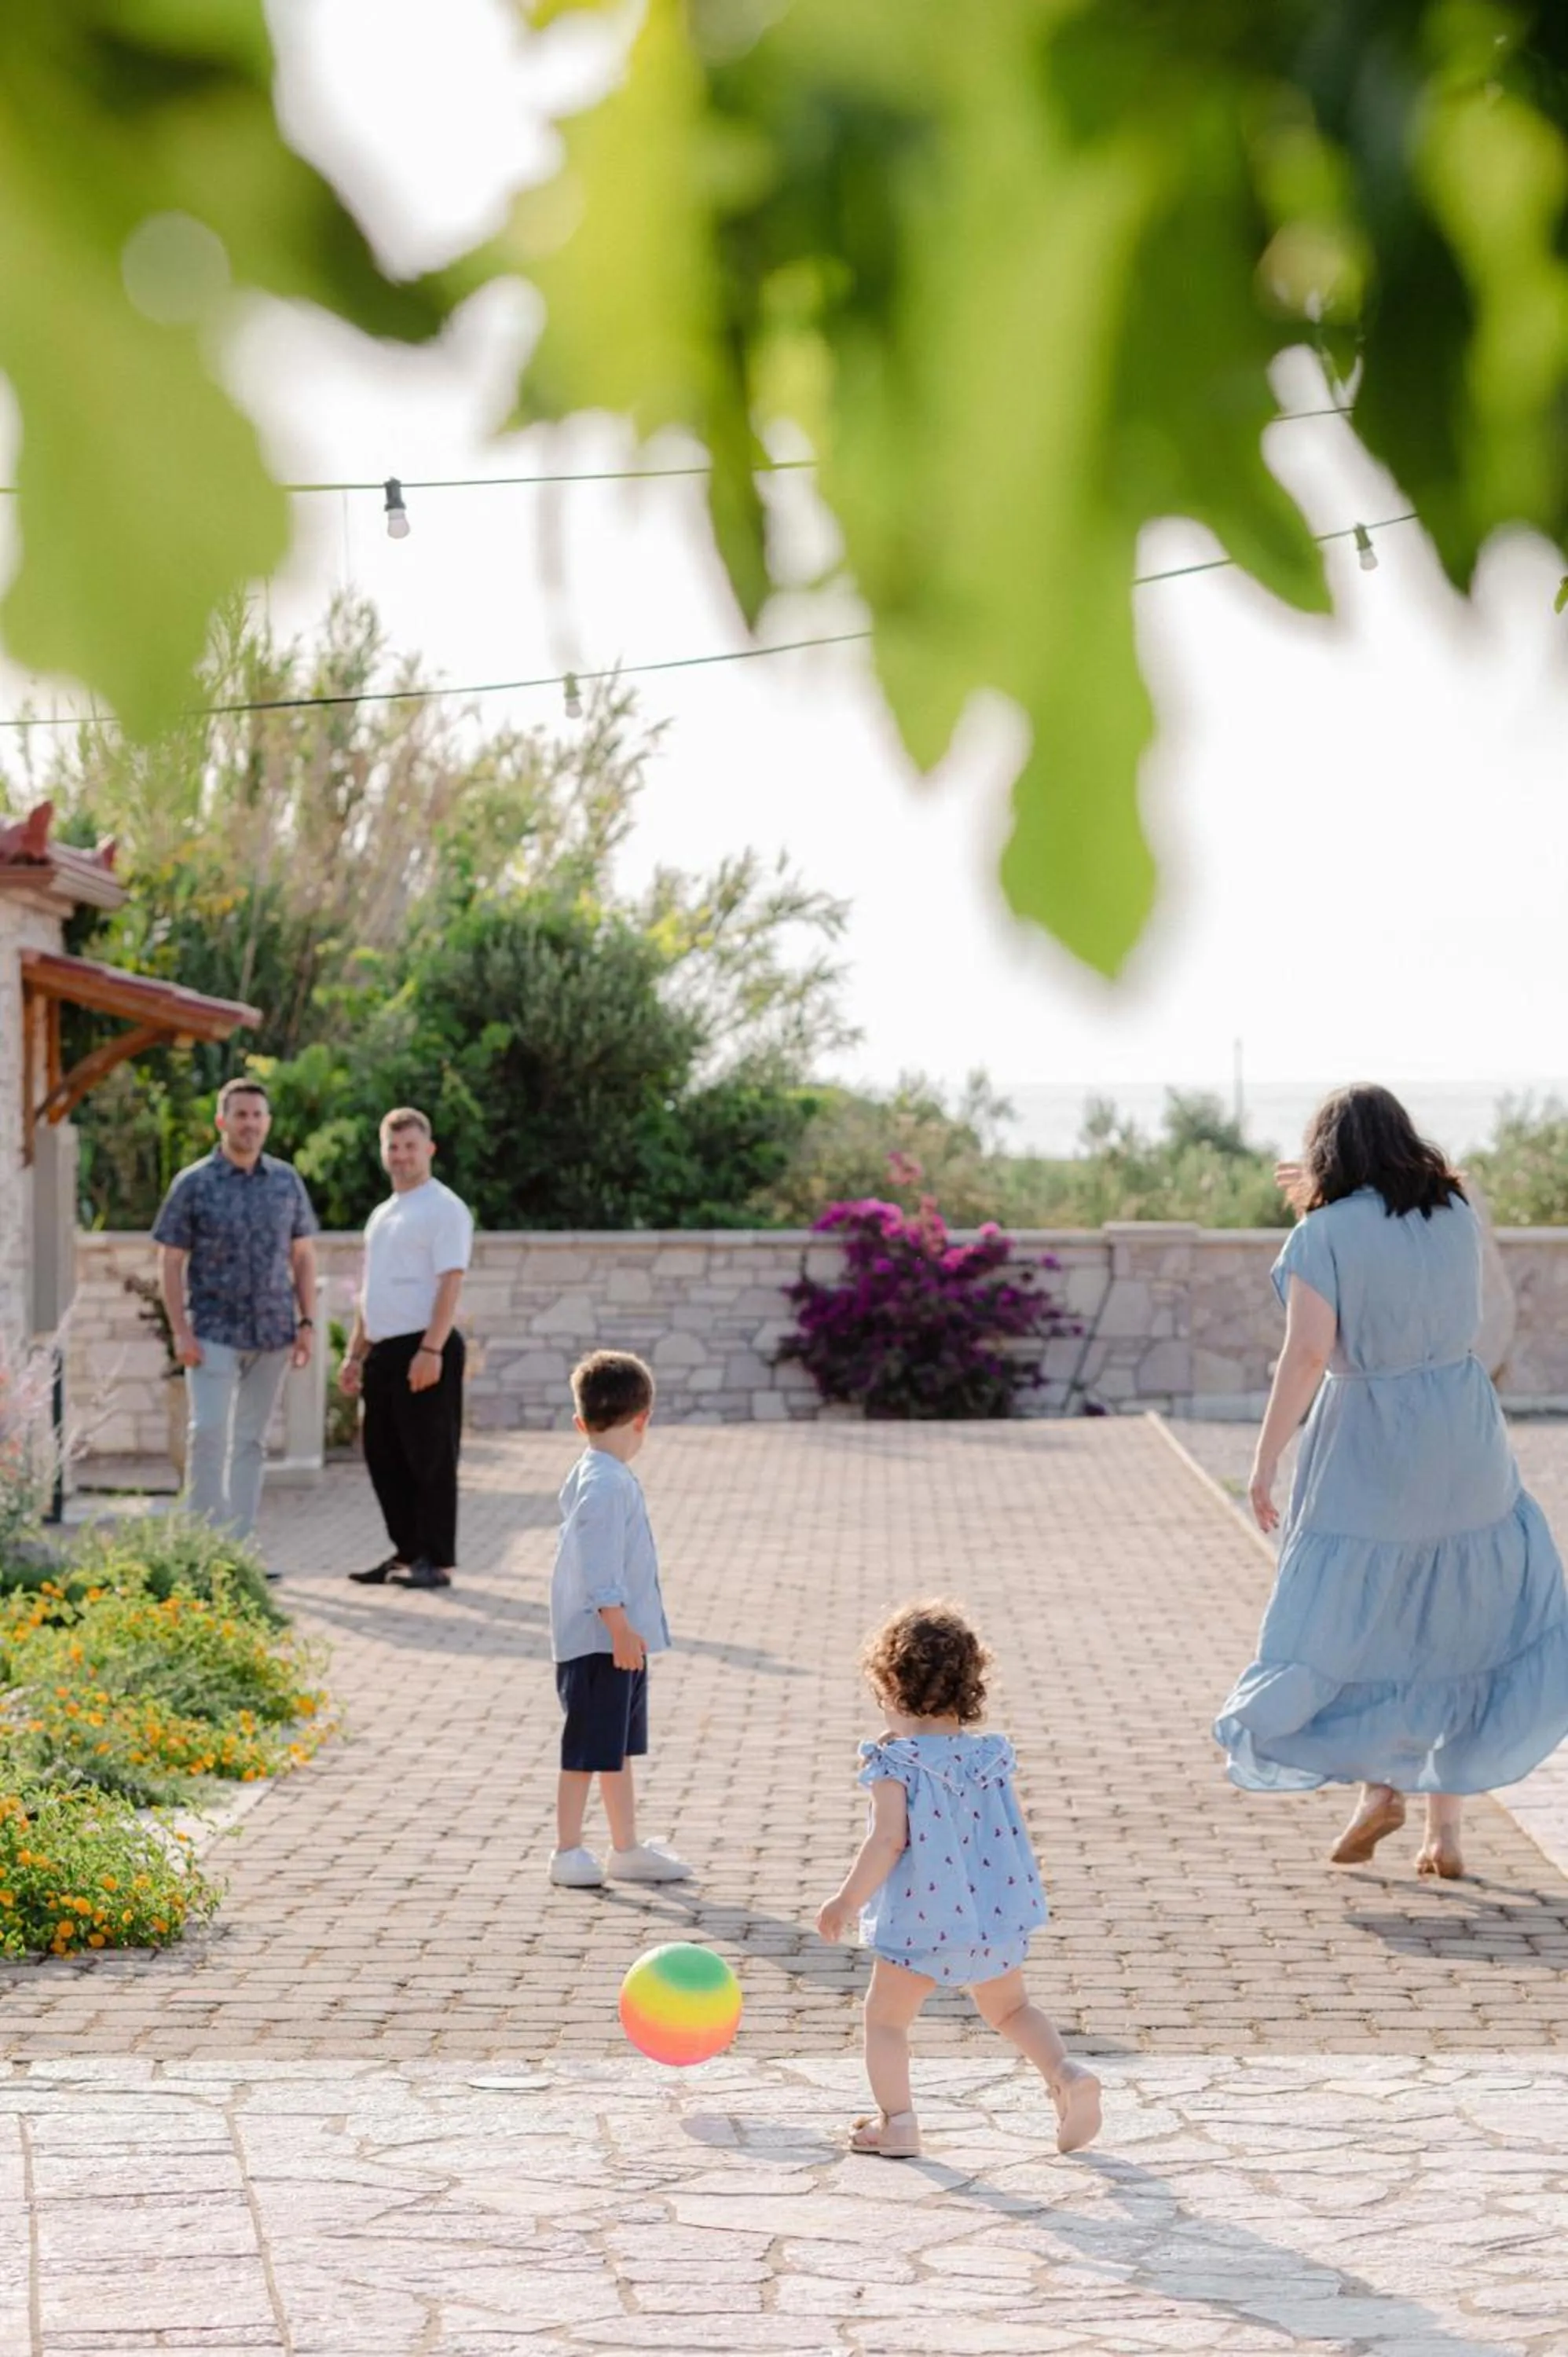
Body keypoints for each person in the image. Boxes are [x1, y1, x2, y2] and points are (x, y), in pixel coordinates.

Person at [1214, 1083, 1568, 1877]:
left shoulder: (1321, 1234)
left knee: (1363, 1615)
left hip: (1370, 1437)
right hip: (1462, 1433)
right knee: (1454, 1623)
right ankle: (1444, 1835)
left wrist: (1266, 1455)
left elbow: (1307, 1352)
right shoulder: (1451, 1216)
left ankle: (1379, 1790)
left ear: (1325, 1155)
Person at [816, 1600, 1101, 2161]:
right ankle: (1065, 2073)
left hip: (924, 1923)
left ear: (893, 1687)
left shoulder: (896, 1763)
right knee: (1011, 2010)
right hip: (992, 1915)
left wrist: (847, 1901)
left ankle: (897, 2123)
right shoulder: (988, 1756)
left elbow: (888, 1841)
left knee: (887, 2021)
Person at [152, 1077, 317, 1564]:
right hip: (211, 1333)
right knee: (207, 1433)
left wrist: (307, 1322)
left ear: (267, 1123)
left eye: (257, 1115)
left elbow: (303, 1256)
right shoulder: (194, 1183)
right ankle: (202, 1551)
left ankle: (239, 1553)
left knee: (250, 1441)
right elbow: (169, 1260)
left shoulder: (287, 1182)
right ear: (221, 1121)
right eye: (240, 1115)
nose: (249, 1123)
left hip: (273, 1332)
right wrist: (181, 1331)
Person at [548, 1350, 693, 1889]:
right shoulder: (605, 1483)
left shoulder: (602, 1474)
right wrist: (618, 1627)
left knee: (613, 1750)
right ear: (643, 1420)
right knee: (586, 1749)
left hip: (614, 1638)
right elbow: (597, 1560)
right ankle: (567, 1850)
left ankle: (625, 1845)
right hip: (600, 1641)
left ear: (580, 1422)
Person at [339, 1109, 472, 1591]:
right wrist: (355, 1354)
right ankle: (407, 1551)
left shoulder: (444, 1208)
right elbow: (368, 1292)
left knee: (431, 1457)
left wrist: (432, 1349)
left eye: (409, 1146)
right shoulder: (383, 1213)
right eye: (392, 1147)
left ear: (429, 1150)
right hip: (383, 1351)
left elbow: (450, 1281)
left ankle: (437, 1561)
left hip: (425, 1347)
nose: (400, 1156)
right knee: (383, 1456)